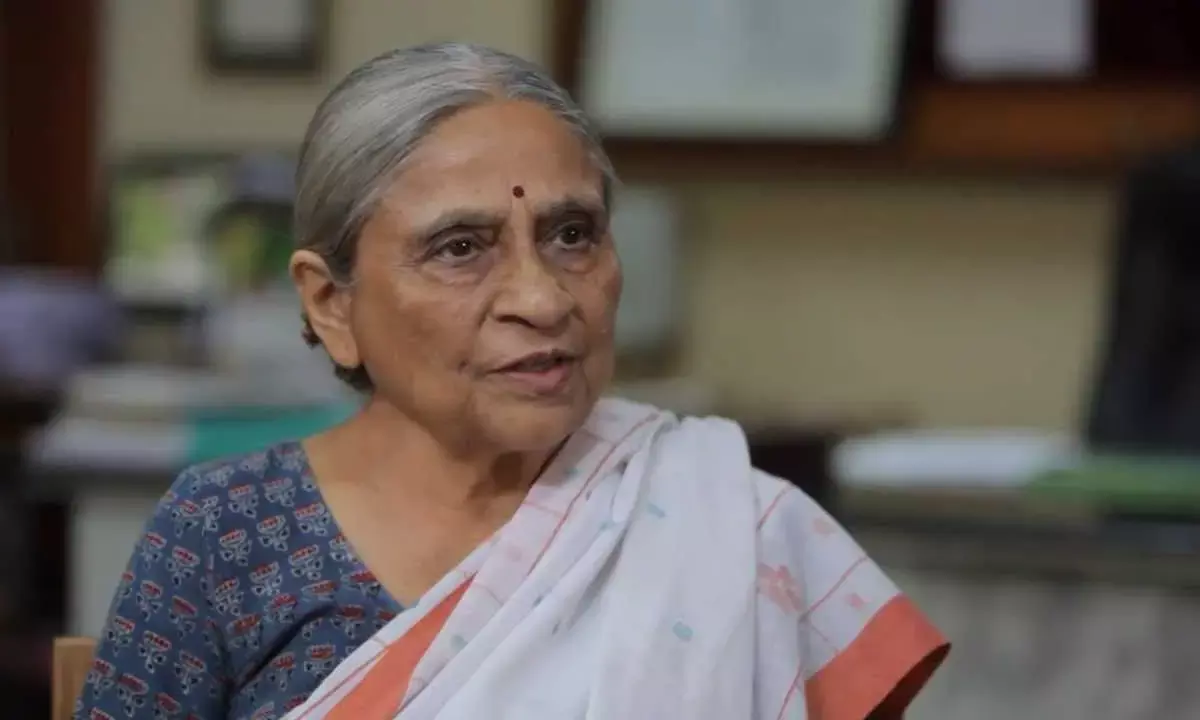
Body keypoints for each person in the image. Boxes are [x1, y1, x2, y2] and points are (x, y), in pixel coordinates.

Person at [74, 43, 948, 720]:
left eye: (573, 235)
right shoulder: (227, 536)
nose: (543, 298)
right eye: (460, 248)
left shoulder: (729, 524)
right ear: (332, 302)